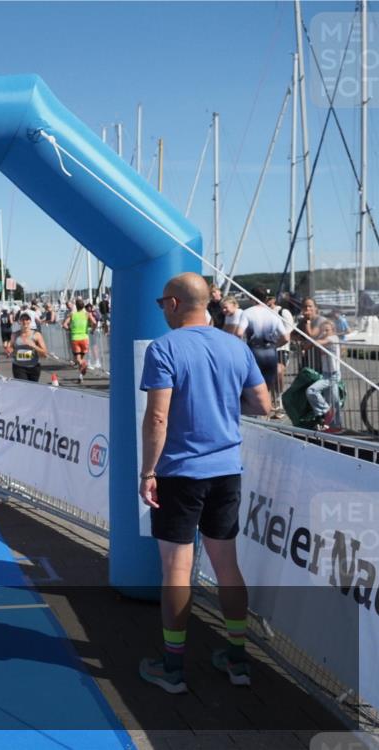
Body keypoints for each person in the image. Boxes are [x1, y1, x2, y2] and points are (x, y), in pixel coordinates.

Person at [138, 272, 271, 694]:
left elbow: (157, 417)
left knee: (176, 570)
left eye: (162, 304)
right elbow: (263, 405)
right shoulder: (236, 346)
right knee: (227, 567)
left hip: (180, 473)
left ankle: (173, 667)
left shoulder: (164, 348)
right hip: (226, 470)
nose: (161, 310)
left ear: (174, 304)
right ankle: (237, 660)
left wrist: (147, 472)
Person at [240, 287, 289, 412]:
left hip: (254, 351)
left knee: (253, 386)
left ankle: (257, 416)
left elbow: (239, 333)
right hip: (270, 352)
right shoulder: (272, 314)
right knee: (267, 386)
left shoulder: (247, 313)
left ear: (252, 297)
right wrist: (275, 345)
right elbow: (285, 337)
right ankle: (266, 414)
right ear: (266, 299)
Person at [305, 319, 342, 432]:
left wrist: (311, 331)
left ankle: (326, 411)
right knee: (334, 400)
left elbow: (316, 343)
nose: (325, 332)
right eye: (323, 330)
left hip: (333, 374)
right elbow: (309, 346)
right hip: (327, 373)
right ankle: (336, 425)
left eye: (327, 330)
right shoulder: (324, 338)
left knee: (311, 391)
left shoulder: (333, 338)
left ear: (333, 330)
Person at [3, 312, 48, 382]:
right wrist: (9, 351)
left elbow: (45, 353)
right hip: (18, 367)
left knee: (33, 390)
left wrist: (34, 346)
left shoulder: (36, 335)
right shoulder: (15, 335)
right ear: (19, 321)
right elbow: (9, 348)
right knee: (23, 387)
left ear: (30, 321)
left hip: (34, 367)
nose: (25, 322)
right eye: (23, 319)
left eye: (27, 319)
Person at [62, 297, 91, 384]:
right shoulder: (87, 314)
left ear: (76, 306)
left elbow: (64, 325)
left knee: (78, 359)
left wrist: (69, 329)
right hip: (85, 338)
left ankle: (83, 366)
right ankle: (80, 376)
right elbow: (94, 322)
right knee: (81, 358)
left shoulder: (72, 314)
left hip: (75, 338)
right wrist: (92, 329)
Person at [296, 298, 325, 371]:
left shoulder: (320, 320)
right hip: (308, 357)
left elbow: (311, 335)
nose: (307, 308)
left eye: (310, 306)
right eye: (305, 306)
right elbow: (292, 334)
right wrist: (301, 339)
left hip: (321, 357)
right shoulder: (303, 321)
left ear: (315, 308)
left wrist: (307, 320)